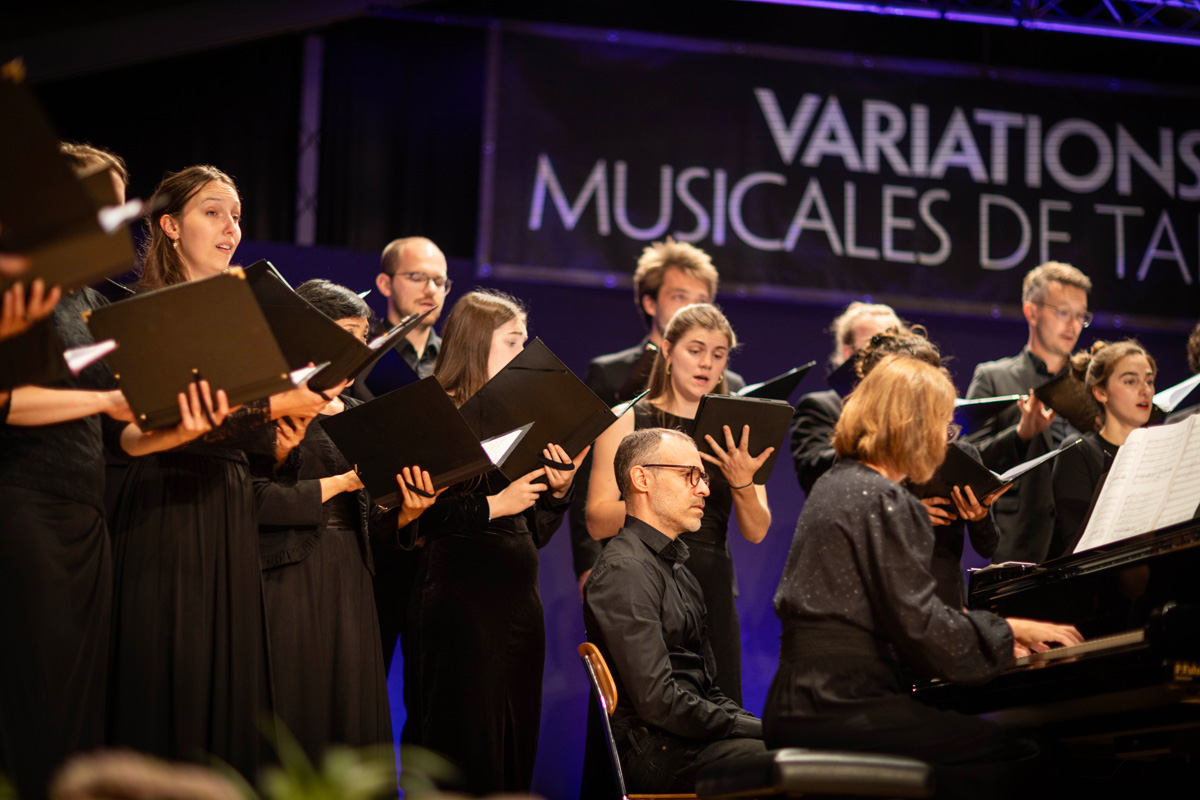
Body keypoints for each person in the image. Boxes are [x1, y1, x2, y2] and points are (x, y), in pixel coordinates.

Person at [0, 146, 229, 800]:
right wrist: (104, 401)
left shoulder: (92, 304)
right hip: (22, 503)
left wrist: (182, 429)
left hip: (85, 518)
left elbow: (120, 435)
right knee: (28, 694)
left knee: (76, 702)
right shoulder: (17, 285)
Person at [764, 354, 1083, 800]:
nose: (946, 437)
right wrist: (1007, 630)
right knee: (1032, 756)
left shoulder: (836, 483)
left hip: (794, 699)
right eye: (943, 423)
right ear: (911, 425)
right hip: (843, 702)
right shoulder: (885, 499)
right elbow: (920, 626)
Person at [107, 165, 338, 778]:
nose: (230, 228)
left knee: (224, 682)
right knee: (170, 673)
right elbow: (154, 424)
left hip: (229, 508)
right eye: (213, 212)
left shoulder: (247, 320)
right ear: (169, 226)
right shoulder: (142, 311)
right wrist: (273, 405)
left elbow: (253, 449)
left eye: (235, 216)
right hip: (166, 504)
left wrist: (283, 443)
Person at [254, 279, 442, 768]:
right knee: (294, 712)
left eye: (363, 338)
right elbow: (252, 501)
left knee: (346, 714)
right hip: (288, 576)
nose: (357, 349)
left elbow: (373, 520)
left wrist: (407, 513)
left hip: (353, 580)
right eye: (346, 336)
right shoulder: (272, 404)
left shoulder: (362, 413)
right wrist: (340, 483)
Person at [409, 289, 586, 794]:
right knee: (464, 736)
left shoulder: (520, 417)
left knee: (514, 733)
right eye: (513, 342)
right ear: (476, 343)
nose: (523, 354)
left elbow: (533, 532)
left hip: (518, 605)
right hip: (461, 601)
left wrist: (559, 490)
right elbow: (417, 516)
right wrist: (493, 505)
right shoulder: (436, 411)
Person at [588, 303, 771, 706]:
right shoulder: (627, 419)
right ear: (668, 351)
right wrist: (661, 502)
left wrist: (742, 481)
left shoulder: (738, 430)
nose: (707, 363)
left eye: (719, 354)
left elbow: (757, 530)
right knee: (650, 700)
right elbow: (598, 519)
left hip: (711, 586)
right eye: (696, 350)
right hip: (645, 580)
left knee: (719, 707)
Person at [583, 427, 765, 794]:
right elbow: (659, 702)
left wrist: (759, 727)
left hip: (688, 741)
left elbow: (708, 689)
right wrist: (757, 730)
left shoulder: (680, 571)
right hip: (657, 751)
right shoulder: (624, 570)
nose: (705, 490)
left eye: (704, 477)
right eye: (689, 475)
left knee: (801, 754)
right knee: (788, 761)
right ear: (642, 479)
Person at [571, 238, 744, 595]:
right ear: (650, 302)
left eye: (701, 300)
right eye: (679, 296)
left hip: (707, 568)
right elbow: (586, 477)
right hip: (632, 559)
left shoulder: (730, 386)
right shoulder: (611, 374)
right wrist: (589, 561)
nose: (691, 308)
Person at [855, 327, 1005, 609]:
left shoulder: (962, 455)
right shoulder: (866, 455)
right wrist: (908, 514)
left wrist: (979, 515)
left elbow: (988, 546)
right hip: (884, 596)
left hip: (943, 595)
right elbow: (852, 536)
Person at [966, 261, 1093, 564]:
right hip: (1019, 547)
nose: (1073, 325)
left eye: (1081, 315)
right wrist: (1021, 435)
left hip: (1083, 547)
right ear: (1031, 312)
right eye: (1063, 312)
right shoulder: (993, 377)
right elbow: (969, 462)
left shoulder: (1091, 387)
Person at [1050, 340, 1156, 558]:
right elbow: (1078, 546)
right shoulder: (1079, 451)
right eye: (1130, 381)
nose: (1145, 390)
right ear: (1101, 393)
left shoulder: (1161, 450)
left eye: (1149, 381)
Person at [790, 301, 900, 496]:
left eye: (895, 343)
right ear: (848, 352)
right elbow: (812, 472)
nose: (888, 353)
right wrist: (879, 443)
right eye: (877, 343)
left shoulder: (909, 408)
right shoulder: (819, 406)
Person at [353, 236, 450, 399]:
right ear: (385, 284)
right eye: (417, 277)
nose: (431, 290)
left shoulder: (454, 359)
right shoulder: (359, 353)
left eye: (439, 281)